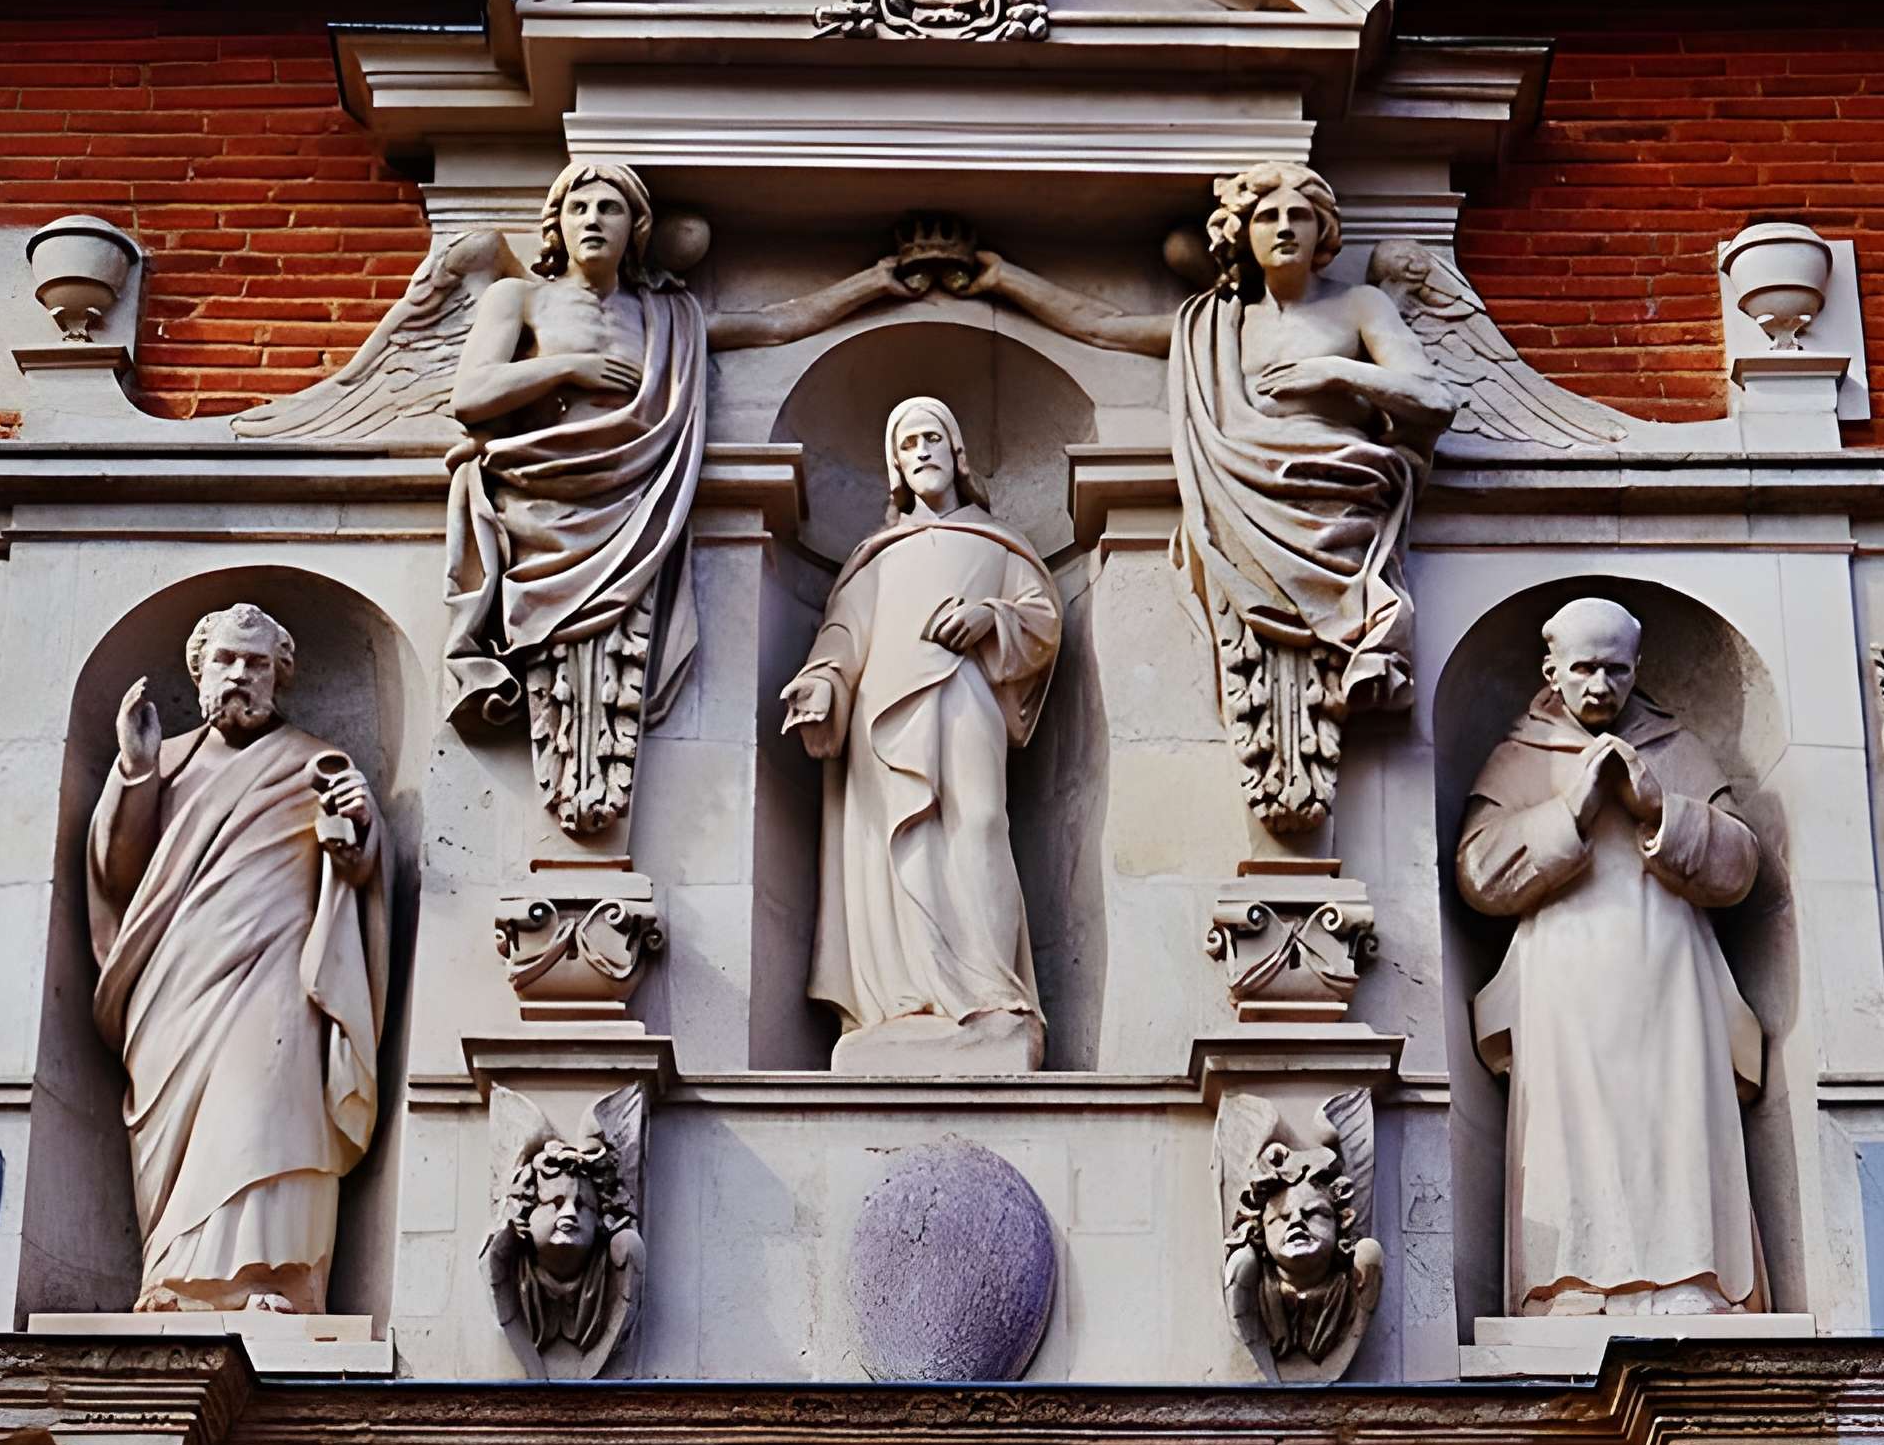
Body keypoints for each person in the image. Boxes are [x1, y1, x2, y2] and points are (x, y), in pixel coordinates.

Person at [957, 160, 1454, 833]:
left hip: (1338, 492)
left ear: (1323, 230)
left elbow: (1433, 397)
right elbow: (1107, 327)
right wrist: (1008, 282)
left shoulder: (1360, 306)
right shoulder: (1214, 324)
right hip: (1241, 497)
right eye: (1266, 217)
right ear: (1241, 234)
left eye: (1298, 216)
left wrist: (1336, 370)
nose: (1283, 228)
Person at [442, 158, 907, 838]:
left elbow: (770, 326)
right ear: (557, 225)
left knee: (615, 667)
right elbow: (469, 396)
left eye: (609, 209)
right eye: (579, 209)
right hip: (542, 502)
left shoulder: (670, 314)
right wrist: (566, 367)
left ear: (637, 228)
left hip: (637, 504)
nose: (592, 221)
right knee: (561, 672)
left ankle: (594, 765)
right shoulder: (520, 301)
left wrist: (869, 286)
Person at [1455, 597, 1765, 1315]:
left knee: (1676, 1110)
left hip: (1669, 967)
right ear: (1551, 671)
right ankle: (1569, 1284)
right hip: (1563, 974)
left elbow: (1742, 867)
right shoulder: (1520, 754)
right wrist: (1571, 811)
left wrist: (1663, 808)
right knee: (1571, 1127)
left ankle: (1691, 1278)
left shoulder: (1674, 746)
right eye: (1586, 670)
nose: (1601, 686)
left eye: (1617, 672)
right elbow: (1478, 874)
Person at [86, 604, 387, 1314]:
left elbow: (359, 866)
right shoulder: (163, 764)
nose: (239, 676)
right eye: (225, 660)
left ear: (279, 675)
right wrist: (133, 771)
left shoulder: (313, 762)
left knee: (265, 1113)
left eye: (255, 664)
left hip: (276, 971)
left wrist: (360, 834)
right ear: (199, 671)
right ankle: (171, 1279)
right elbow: (117, 876)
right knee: (184, 1136)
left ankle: (272, 1277)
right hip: (172, 981)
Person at [780, 397, 1061, 1073]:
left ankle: (994, 997)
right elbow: (844, 635)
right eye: (908, 444)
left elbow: (1043, 618)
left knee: (982, 824)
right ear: (896, 468)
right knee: (893, 842)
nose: (924, 451)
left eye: (934, 437)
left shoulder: (998, 544)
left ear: (958, 453)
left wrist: (990, 619)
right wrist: (822, 684)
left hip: (965, 695)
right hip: (882, 712)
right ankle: (904, 1000)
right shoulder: (876, 556)